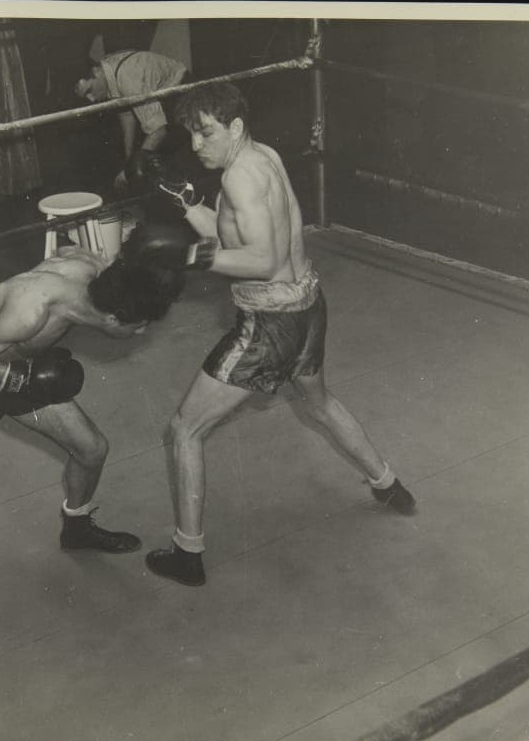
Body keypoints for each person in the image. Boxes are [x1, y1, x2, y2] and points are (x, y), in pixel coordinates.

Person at [136, 82, 416, 588]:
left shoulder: (240, 179)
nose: (197, 145)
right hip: (307, 308)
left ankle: (188, 554)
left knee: (183, 430)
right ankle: (389, 485)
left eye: (206, 133)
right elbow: (238, 234)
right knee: (319, 403)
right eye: (192, 135)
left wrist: (186, 258)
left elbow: (260, 262)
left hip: (269, 326)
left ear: (235, 127)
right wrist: (181, 202)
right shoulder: (261, 158)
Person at [0, 245, 185, 675]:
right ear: (113, 319)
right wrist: (20, 376)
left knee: (92, 449)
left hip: (14, 371)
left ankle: (77, 527)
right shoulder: (30, 313)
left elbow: (68, 249)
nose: (140, 335)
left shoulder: (95, 271)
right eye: (138, 328)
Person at [74, 50, 188, 190]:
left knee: (173, 166)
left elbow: (158, 131)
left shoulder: (127, 78)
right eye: (85, 97)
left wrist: (130, 171)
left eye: (89, 90)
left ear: (96, 71)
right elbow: (126, 114)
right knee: (142, 164)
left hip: (183, 90)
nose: (91, 99)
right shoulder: (107, 72)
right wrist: (129, 161)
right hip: (163, 97)